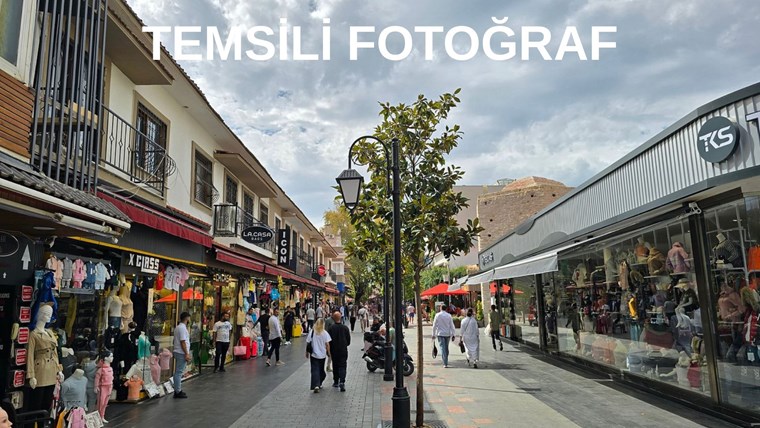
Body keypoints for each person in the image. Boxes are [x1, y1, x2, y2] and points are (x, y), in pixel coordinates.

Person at [327, 311, 351, 391]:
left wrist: (328, 350)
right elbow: (348, 341)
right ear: (340, 318)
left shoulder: (331, 328)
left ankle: (336, 381)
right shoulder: (345, 328)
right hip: (343, 350)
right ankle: (342, 381)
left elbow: (328, 341)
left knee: (335, 365)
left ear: (333, 318)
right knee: (343, 366)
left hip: (334, 350)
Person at [305, 318, 331, 393]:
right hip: (322, 355)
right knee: (321, 369)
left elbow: (308, 342)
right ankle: (318, 383)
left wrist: (306, 352)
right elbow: (327, 344)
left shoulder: (312, 332)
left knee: (314, 369)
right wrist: (328, 353)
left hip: (314, 354)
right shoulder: (325, 333)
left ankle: (316, 384)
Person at [173, 312, 192, 398]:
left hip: (178, 351)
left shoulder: (178, 327)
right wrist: (186, 353)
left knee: (178, 371)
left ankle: (177, 389)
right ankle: (178, 391)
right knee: (179, 372)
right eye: (189, 318)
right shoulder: (182, 328)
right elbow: (183, 341)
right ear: (187, 318)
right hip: (181, 352)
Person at [432, 304, 456, 368]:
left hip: (440, 334)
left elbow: (434, 325)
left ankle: (445, 362)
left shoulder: (437, 315)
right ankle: (446, 360)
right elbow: (452, 325)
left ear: (440, 308)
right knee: (446, 347)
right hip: (447, 334)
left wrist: (433, 334)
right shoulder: (449, 315)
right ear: (446, 309)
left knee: (442, 348)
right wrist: (453, 334)